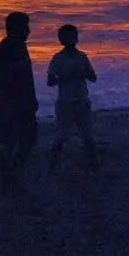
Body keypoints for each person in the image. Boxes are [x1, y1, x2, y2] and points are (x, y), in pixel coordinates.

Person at [0, 11, 38, 194]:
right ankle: (10, 177)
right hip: (12, 104)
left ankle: (11, 176)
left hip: (13, 102)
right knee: (17, 141)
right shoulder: (10, 48)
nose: (29, 31)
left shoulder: (15, 46)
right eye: (26, 27)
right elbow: (12, 78)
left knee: (19, 141)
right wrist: (24, 100)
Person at [46, 23, 98, 171]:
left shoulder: (82, 57)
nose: (70, 40)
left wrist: (83, 73)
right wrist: (65, 77)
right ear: (60, 40)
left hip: (82, 99)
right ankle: (53, 164)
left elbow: (93, 77)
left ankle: (93, 164)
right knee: (61, 135)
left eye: (72, 37)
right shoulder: (58, 58)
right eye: (66, 37)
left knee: (87, 134)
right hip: (65, 101)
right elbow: (50, 82)